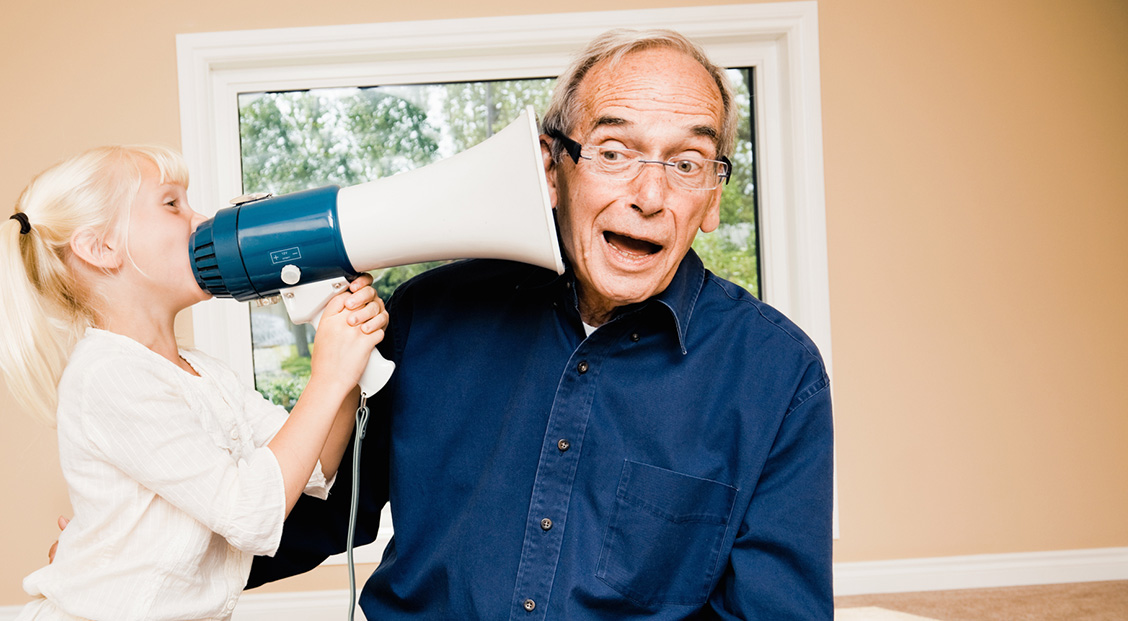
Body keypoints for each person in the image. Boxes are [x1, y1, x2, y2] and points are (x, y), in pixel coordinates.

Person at [246, 28, 834, 620]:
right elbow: (303, 518)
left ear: (711, 200)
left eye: (687, 163)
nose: (650, 195)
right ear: (553, 171)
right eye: (613, 152)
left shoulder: (779, 375)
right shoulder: (428, 315)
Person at [0, 145, 388, 620]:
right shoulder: (107, 376)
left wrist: (343, 360)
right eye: (172, 203)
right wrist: (327, 376)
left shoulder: (203, 371)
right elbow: (252, 513)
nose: (198, 219)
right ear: (101, 248)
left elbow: (315, 467)